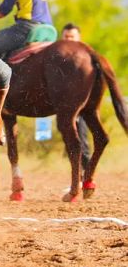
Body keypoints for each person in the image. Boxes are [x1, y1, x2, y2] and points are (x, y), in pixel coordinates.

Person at [61, 22, 91, 170]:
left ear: (79, 38)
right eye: (66, 36)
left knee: (81, 139)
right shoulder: (58, 57)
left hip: (81, 106)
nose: (69, 39)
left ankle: (85, 177)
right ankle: (81, 178)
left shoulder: (84, 58)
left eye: (72, 36)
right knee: (72, 140)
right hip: (65, 107)